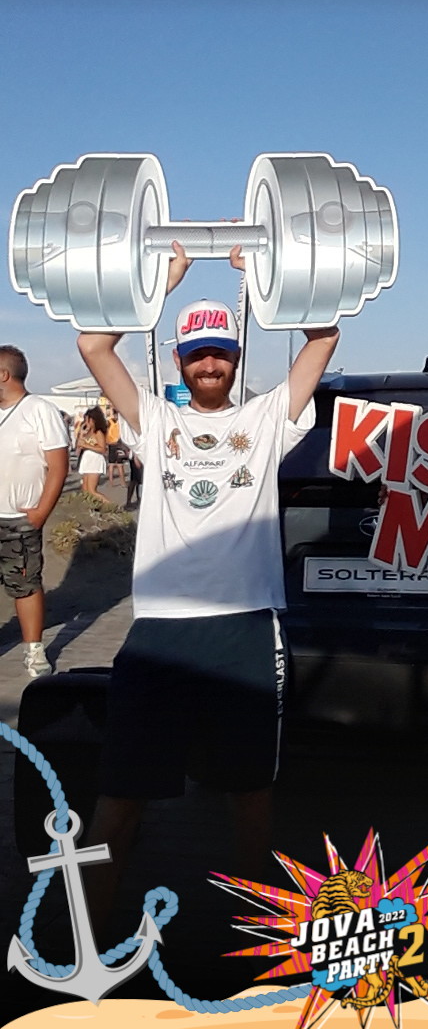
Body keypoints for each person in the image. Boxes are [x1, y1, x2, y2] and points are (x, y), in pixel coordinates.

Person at [77, 242, 339, 930]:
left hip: (245, 629)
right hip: (159, 632)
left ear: (236, 356)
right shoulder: (153, 421)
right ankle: (86, 943)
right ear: (179, 361)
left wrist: (266, 279)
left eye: (220, 351)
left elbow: (323, 337)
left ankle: (255, 945)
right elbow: (93, 345)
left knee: (250, 798)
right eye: (198, 354)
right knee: (120, 794)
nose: (210, 363)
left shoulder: (267, 419)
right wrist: (161, 284)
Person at [0, 346, 69, 677]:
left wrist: (41, 512)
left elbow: (58, 466)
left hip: (18, 520)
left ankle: (34, 650)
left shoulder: (40, 410)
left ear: (4, 375)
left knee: (25, 583)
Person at [77, 407, 112, 504]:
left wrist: (86, 445)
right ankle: (92, 508)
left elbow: (102, 449)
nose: (87, 422)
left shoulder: (98, 432)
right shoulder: (88, 432)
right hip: (87, 459)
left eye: (88, 420)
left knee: (92, 490)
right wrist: (81, 433)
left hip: (95, 460)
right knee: (85, 490)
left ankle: (112, 506)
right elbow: (79, 445)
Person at [106, 409, 127, 487]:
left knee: (111, 464)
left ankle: (111, 483)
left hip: (111, 443)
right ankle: (122, 482)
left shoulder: (109, 422)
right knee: (120, 465)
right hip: (118, 444)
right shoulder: (120, 422)